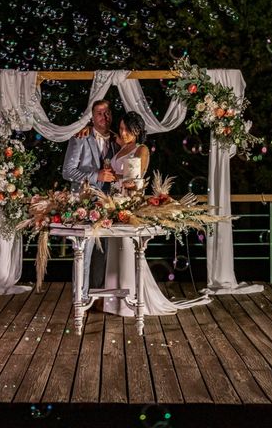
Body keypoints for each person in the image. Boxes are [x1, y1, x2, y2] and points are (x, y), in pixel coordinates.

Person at [102, 112, 209, 316]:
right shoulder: (122, 146)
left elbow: (135, 178)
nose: (123, 132)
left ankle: (131, 301)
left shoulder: (141, 149)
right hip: (114, 204)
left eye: (127, 129)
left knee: (127, 248)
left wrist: (115, 177)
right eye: (121, 128)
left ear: (137, 130)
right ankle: (112, 302)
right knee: (115, 249)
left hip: (130, 204)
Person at [62, 99, 117, 300]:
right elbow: (67, 172)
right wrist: (96, 176)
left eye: (107, 112)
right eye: (100, 113)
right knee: (83, 254)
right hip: (84, 205)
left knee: (103, 255)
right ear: (92, 117)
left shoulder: (117, 141)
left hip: (109, 206)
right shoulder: (80, 138)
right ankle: (80, 298)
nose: (104, 116)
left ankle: (98, 297)